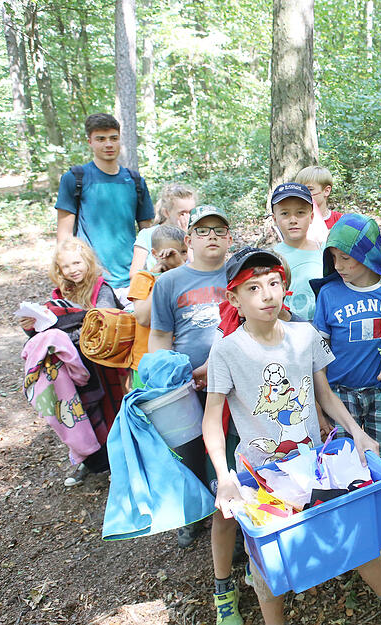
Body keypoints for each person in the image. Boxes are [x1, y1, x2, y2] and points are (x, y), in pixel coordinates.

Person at [202, 247, 381, 625]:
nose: (268, 295)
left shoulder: (304, 335)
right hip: (260, 474)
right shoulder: (226, 350)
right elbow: (210, 420)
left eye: (273, 283)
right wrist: (224, 478)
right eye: (253, 288)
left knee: (354, 532)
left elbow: (326, 395)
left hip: (313, 463)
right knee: (267, 565)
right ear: (234, 299)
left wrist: (357, 433)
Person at [310, 213, 381, 572]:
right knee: (344, 465)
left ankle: (380, 535)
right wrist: (319, 403)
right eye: (334, 258)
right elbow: (317, 355)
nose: (340, 266)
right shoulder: (329, 294)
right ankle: (350, 537)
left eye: (347, 257)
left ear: (371, 253)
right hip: (340, 395)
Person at [148, 204, 231, 547]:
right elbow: (159, 335)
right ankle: (193, 513)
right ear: (189, 239)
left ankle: (229, 517)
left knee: (228, 449)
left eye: (218, 231)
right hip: (186, 385)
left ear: (230, 238)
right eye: (202, 231)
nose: (211, 236)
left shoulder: (239, 274)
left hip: (232, 383)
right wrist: (163, 375)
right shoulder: (169, 283)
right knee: (189, 450)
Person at [18, 237, 126, 486]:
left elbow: (104, 323)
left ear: (87, 261)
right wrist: (31, 327)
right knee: (80, 413)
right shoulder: (60, 296)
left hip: (104, 365)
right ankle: (91, 459)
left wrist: (62, 333)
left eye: (77, 263)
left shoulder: (102, 289)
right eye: (66, 267)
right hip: (74, 366)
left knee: (110, 412)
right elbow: (50, 328)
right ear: (59, 270)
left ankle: (116, 460)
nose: (73, 270)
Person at [54, 113, 154, 296]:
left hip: (132, 278)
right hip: (91, 281)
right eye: (100, 139)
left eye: (113, 138)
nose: (108, 144)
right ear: (90, 142)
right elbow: (65, 235)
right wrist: (68, 278)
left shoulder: (135, 181)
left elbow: (148, 232)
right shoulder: (75, 179)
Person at [127, 225, 189, 386]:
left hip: (179, 361)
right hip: (146, 363)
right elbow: (143, 318)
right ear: (155, 254)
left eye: (183, 252)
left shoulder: (188, 278)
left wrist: (181, 270)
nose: (178, 258)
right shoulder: (144, 278)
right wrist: (162, 279)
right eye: (170, 253)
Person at [269, 182, 323, 320]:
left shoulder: (326, 252)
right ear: (275, 219)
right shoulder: (270, 257)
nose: (293, 220)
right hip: (286, 328)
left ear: (311, 217)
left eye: (300, 213)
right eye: (285, 213)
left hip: (323, 329)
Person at [130, 183, 197, 279]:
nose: (188, 218)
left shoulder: (197, 235)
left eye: (191, 213)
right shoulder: (147, 234)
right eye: (182, 213)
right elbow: (134, 274)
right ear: (166, 212)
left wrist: (186, 236)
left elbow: (198, 270)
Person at [295, 165, 343, 230]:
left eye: (310, 189)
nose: (303, 194)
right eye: (300, 190)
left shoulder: (340, 220)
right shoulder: (295, 222)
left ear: (326, 191)